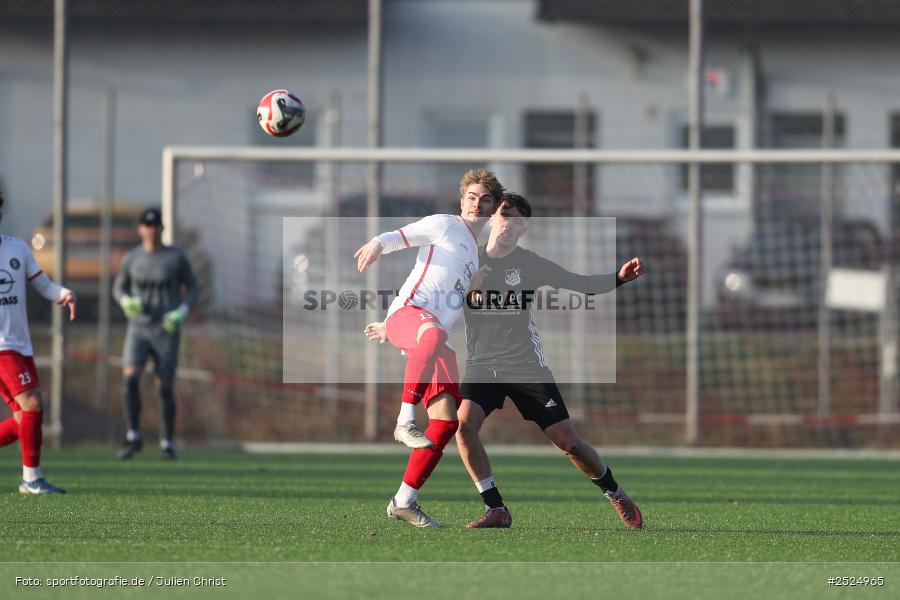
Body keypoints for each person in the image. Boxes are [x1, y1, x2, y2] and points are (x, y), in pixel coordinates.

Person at [368, 193, 645, 529]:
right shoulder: (468, 259)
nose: (508, 223)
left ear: (523, 228)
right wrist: (392, 323)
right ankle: (496, 507)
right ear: (492, 219)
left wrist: (618, 278)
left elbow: (579, 283)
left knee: (568, 443)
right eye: (503, 215)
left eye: (517, 220)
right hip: (482, 366)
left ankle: (613, 491)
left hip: (526, 365)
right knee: (463, 427)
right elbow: (437, 298)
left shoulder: (531, 264)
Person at [355, 169, 503, 528]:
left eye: (485, 199)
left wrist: (472, 286)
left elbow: (450, 300)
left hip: (430, 335)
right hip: (413, 316)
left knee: (446, 422)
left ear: (493, 207)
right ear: (462, 199)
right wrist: (378, 242)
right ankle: (404, 421)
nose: (476, 203)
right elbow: (400, 237)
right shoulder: (445, 224)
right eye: (471, 196)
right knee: (433, 336)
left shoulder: (473, 254)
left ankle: (405, 500)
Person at [0, 189, 76, 493]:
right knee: (32, 403)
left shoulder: (17, 249)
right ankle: (31, 479)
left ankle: (31, 478)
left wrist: (63, 293)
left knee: (23, 418)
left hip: (20, 345)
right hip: (2, 346)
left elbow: (43, 285)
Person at [113, 208, 198, 460]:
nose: (151, 230)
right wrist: (126, 301)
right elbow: (118, 287)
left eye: (155, 226)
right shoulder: (132, 258)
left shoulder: (175, 258)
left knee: (165, 385)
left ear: (161, 228)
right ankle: (133, 437)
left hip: (166, 330)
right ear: (140, 229)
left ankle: (167, 442)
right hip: (139, 328)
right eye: (147, 226)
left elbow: (193, 286)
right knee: (130, 378)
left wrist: (182, 310)